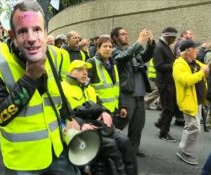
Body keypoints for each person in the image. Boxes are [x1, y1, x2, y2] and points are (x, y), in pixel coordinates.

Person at [0, 1, 79, 174]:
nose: (31, 38)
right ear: (12, 35)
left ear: (46, 32)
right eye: (23, 31)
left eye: (37, 30)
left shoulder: (55, 55)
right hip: (23, 163)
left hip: (57, 151)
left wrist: (69, 116)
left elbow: (58, 92)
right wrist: (29, 78)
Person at [62, 60, 128, 175]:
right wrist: (82, 124)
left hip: (96, 126)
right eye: (80, 70)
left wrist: (104, 112)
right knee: (111, 146)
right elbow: (65, 114)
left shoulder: (90, 88)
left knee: (124, 141)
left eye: (86, 70)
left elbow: (99, 104)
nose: (85, 73)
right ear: (71, 73)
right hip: (79, 130)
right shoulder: (63, 88)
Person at [86, 35, 138, 174]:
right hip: (98, 115)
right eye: (105, 46)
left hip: (112, 111)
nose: (108, 49)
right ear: (98, 48)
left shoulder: (113, 63)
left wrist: (121, 105)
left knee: (120, 144)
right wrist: (99, 110)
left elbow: (116, 87)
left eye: (110, 46)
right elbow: (86, 90)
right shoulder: (92, 63)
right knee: (110, 147)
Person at [111, 27, 155, 157]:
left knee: (138, 125)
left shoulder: (132, 51)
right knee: (119, 123)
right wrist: (140, 41)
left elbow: (145, 56)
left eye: (126, 33)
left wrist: (150, 43)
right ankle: (110, 148)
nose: (126, 36)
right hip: (126, 93)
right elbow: (123, 57)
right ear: (115, 38)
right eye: (122, 34)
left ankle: (133, 148)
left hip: (140, 93)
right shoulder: (114, 51)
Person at [173, 40, 209, 165]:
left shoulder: (194, 62)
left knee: (191, 126)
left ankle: (183, 150)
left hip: (196, 100)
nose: (197, 51)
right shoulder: (179, 64)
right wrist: (202, 73)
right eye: (195, 49)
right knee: (194, 127)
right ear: (187, 51)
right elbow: (186, 80)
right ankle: (185, 152)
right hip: (188, 101)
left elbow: (205, 67)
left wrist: (207, 68)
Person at [153, 27, 181, 142]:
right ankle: (163, 133)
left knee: (170, 107)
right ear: (167, 36)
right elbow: (159, 66)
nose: (174, 40)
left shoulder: (164, 46)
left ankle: (161, 123)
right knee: (169, 108)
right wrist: (174, 65)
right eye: (173, 38)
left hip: (168, 82)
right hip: (165, 83)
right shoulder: (159, 47)